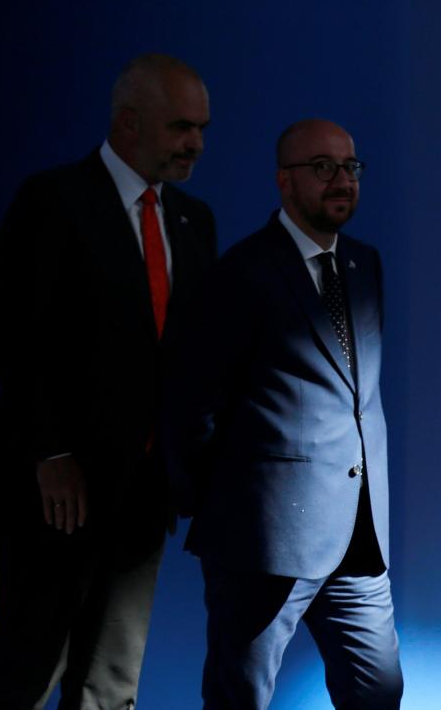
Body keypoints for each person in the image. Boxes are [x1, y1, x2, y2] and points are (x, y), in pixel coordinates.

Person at [0, 53, 216, 709]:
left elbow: (190, 357)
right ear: (129, 124)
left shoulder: (195, 222)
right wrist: (51, 455)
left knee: (112, 677)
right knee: (29, 664)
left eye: (202, 129)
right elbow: (20, 338)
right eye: (180, 128)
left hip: (144, 491)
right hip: (56, 489)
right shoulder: (52, 200)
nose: (195, 143)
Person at [164, 119, 402, 708]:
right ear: (284, 182)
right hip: (263, 541)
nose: (341, 180)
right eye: (323, 168)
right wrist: (224, 504)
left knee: (379, 692)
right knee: (239, 696)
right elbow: (191, 403)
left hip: (359, 535)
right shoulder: (241, 274)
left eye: (350, 167)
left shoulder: (365, 264)